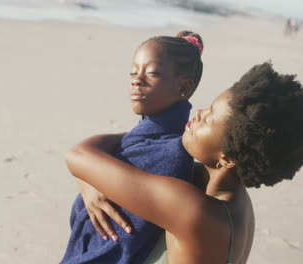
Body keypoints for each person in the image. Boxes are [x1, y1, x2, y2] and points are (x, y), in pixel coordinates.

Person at [65, 62, 303, 263]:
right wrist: (91, 185)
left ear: (227, 159)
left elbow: (78, 156)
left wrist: (90, 183)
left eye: (208, 118)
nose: (198, 113)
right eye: (207, 107)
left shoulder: (190, 208)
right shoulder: (236, 202)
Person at [61, 31, 204, 264]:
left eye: (152, 73)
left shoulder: (168, 155)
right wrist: (88, 181)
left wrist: (86, 175)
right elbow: (83, 161)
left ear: (184, 86)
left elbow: (76, 156)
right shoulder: (145, 137)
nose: (137, 79)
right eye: (133, 72)